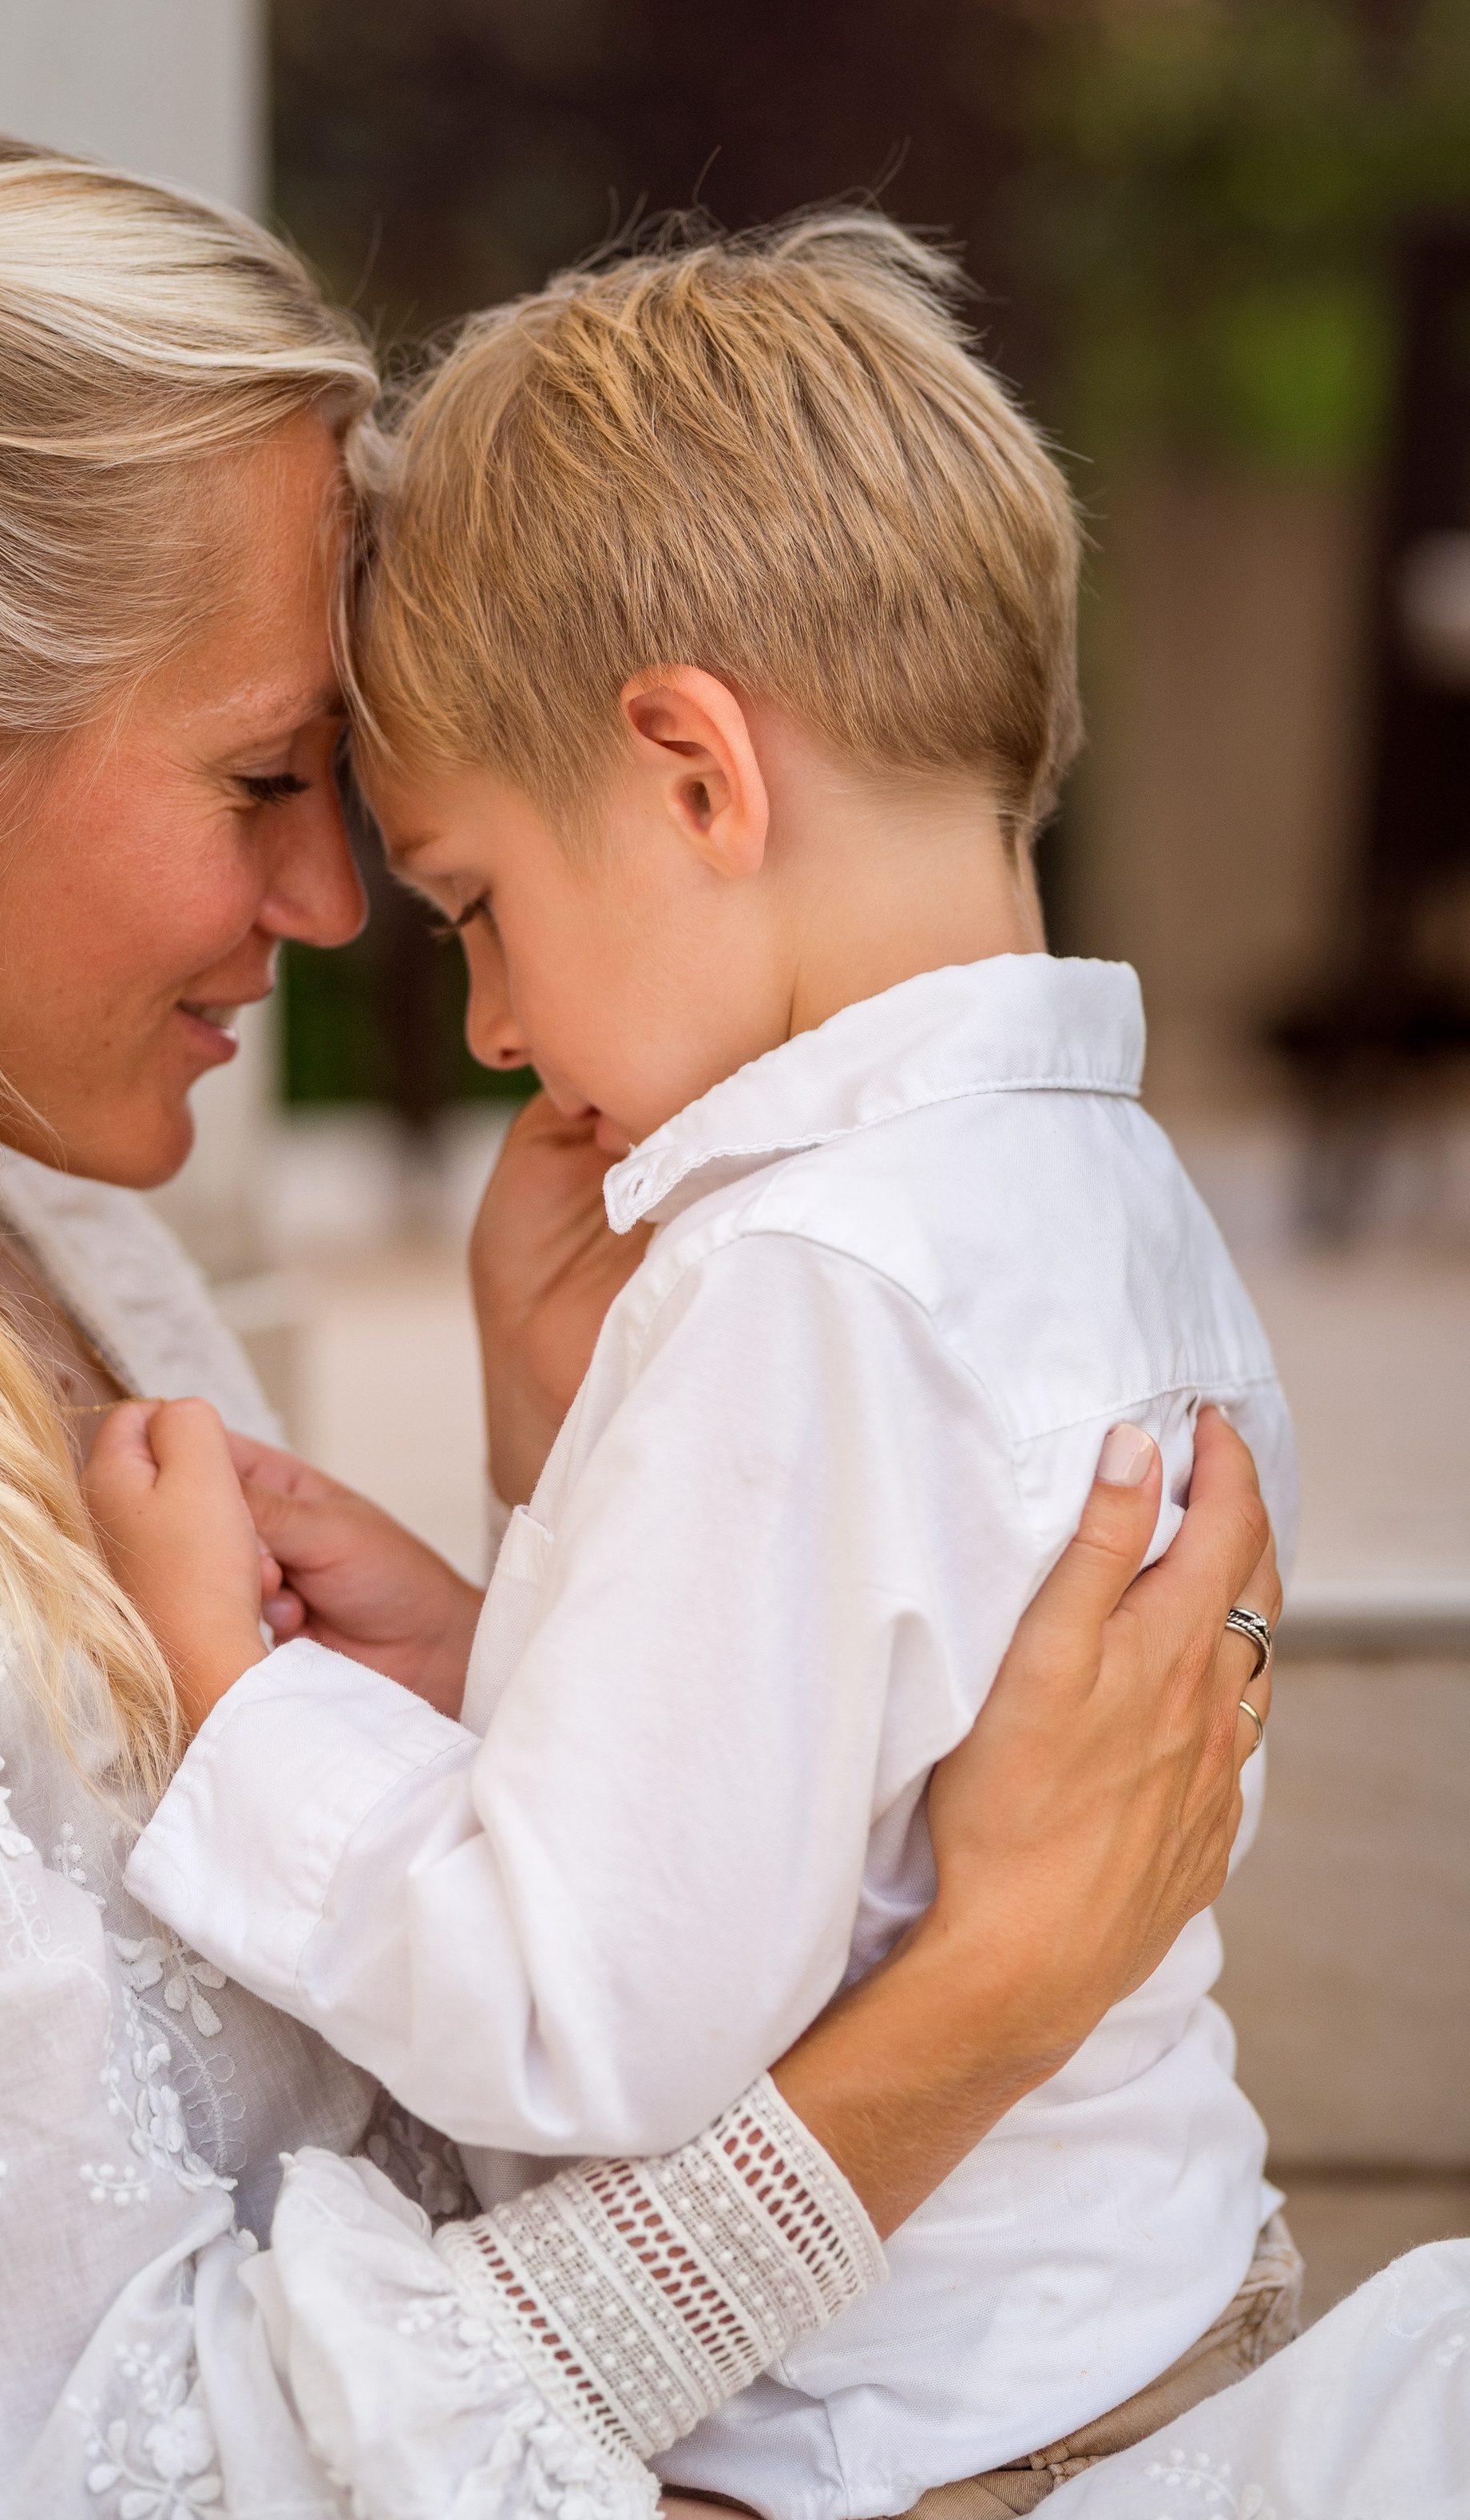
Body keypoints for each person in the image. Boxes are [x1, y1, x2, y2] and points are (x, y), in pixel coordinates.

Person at [0, 137, 1278, 2520]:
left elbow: (551, 1986)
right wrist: (991, 2001)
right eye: (262, 777)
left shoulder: (62, 1255)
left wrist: (526, 1592)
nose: (332, 908)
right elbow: (136, 2479)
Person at [85, 218, 1302, 2518]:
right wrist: (506, 1607)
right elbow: (844, 1796)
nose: (491, 1024)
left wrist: (232, 1704)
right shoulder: (1106, 1197)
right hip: (1139, 2314)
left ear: (693, 777)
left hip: (909, 2446)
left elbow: (591, 2014)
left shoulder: (805, 1284)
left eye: (474, 904)